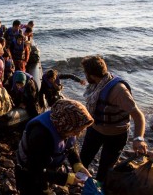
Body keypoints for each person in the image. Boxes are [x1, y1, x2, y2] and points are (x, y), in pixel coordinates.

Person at [79, 55, 148, 183]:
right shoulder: (96, 84)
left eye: (86, 73)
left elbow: (138, 116)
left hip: (116, 136)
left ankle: (99, 188)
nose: (85, 76)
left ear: (92, 75)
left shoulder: (119, 91)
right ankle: (79, 183)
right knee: (83, 160)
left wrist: (139, 139)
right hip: (95, 130)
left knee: (104, 171)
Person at [16, 99, 94, 195]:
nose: (78, 134)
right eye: (76, 130)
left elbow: (71, 146)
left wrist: (77, 164)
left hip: (47, 170)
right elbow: (35, 170)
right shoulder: (40, 135)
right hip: (29, 174)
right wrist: (66, 178)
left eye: (81, 130)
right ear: (65, 124)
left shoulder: (65, 124)